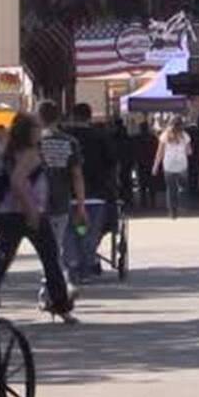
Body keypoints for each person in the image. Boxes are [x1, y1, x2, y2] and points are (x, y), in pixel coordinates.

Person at [0, 112, 76, 324]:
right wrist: (31, 211)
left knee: (2, 259)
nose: (40, 132)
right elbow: (18, 182)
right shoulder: (29, 154)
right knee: (50, 258)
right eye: (37, 128)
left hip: (7, 213)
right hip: (29, 213)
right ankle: (60, 304)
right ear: (28, 132)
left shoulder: (10, 152)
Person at [37, 100, 87, 279]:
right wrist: (81, 205)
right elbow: (77, 175)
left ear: (39, 117)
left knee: (46, 247)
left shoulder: (35, 142)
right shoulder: (70, 142)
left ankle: (51, 283)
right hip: (61, 200)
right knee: (56, 244)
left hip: (37, 203)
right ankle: (54, 283)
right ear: (58, 117)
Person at [68, 103, 118, 280]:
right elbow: (112, 163)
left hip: (70, 194)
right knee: (91, 231)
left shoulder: (67, 137)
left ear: (73, 116)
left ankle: (74, 263)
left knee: (73, 231)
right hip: (97, 193)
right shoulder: (101, 136)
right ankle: (87, 263)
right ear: (89, 117)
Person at [153, 116, 192, 219]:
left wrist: (155, 166)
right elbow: (189, 152)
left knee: (170, 189)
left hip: (168, 165)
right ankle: (182, 204)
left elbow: (159, 153)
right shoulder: (185, 136)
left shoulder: (164, 136)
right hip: (182, 164)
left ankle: (172, 211)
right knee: (183, 186)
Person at [134, 122, 157, 209]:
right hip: (150, 163)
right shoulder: (152, 138)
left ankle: (143, 201)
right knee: (151, 183)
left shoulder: (137, 138)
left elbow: (135, 150)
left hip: (142, 163)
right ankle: (152, 201)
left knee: (143, 183)